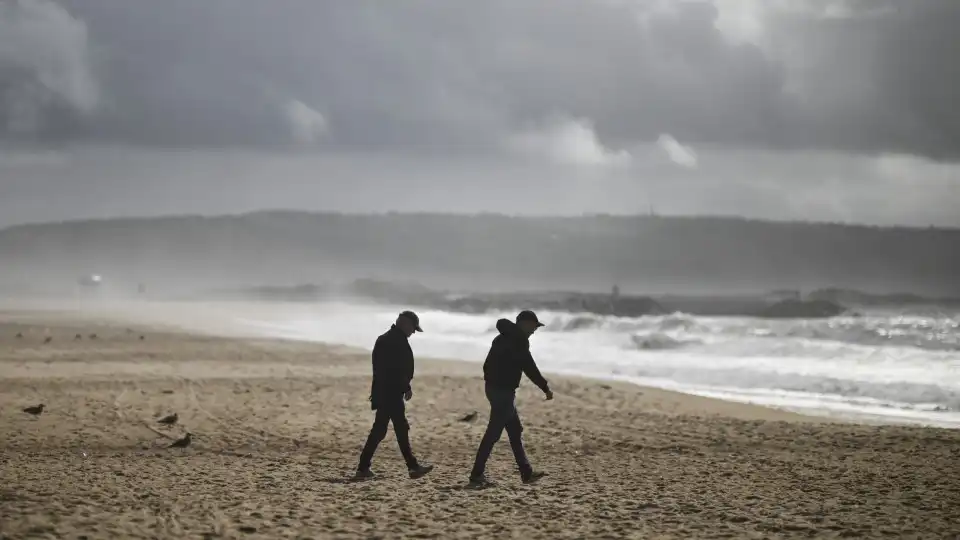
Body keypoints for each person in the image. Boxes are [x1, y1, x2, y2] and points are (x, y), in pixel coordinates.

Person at [468, 310, 553, 488]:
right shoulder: (519, 341)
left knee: (515, 429)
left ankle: (526, 472)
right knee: (493, 434)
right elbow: (529, 367)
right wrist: (544, 387)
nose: (534, 330)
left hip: (495, 389)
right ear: (523, 323)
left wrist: (492, 383)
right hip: (503, 392)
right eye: (533, 326)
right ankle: (476, 475)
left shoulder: (501, 338)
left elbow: (487, 365)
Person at [355, 311, 434, 480]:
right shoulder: (394, 341)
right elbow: (394, 369)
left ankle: (363, 467)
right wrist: (405, 387)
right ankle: (412, 467)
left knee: (382, 430)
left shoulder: (387, 339)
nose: (413, 332)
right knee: (399, 429)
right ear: (405, 324)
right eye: (413, 328)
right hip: (391, 392)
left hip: (385, 391)